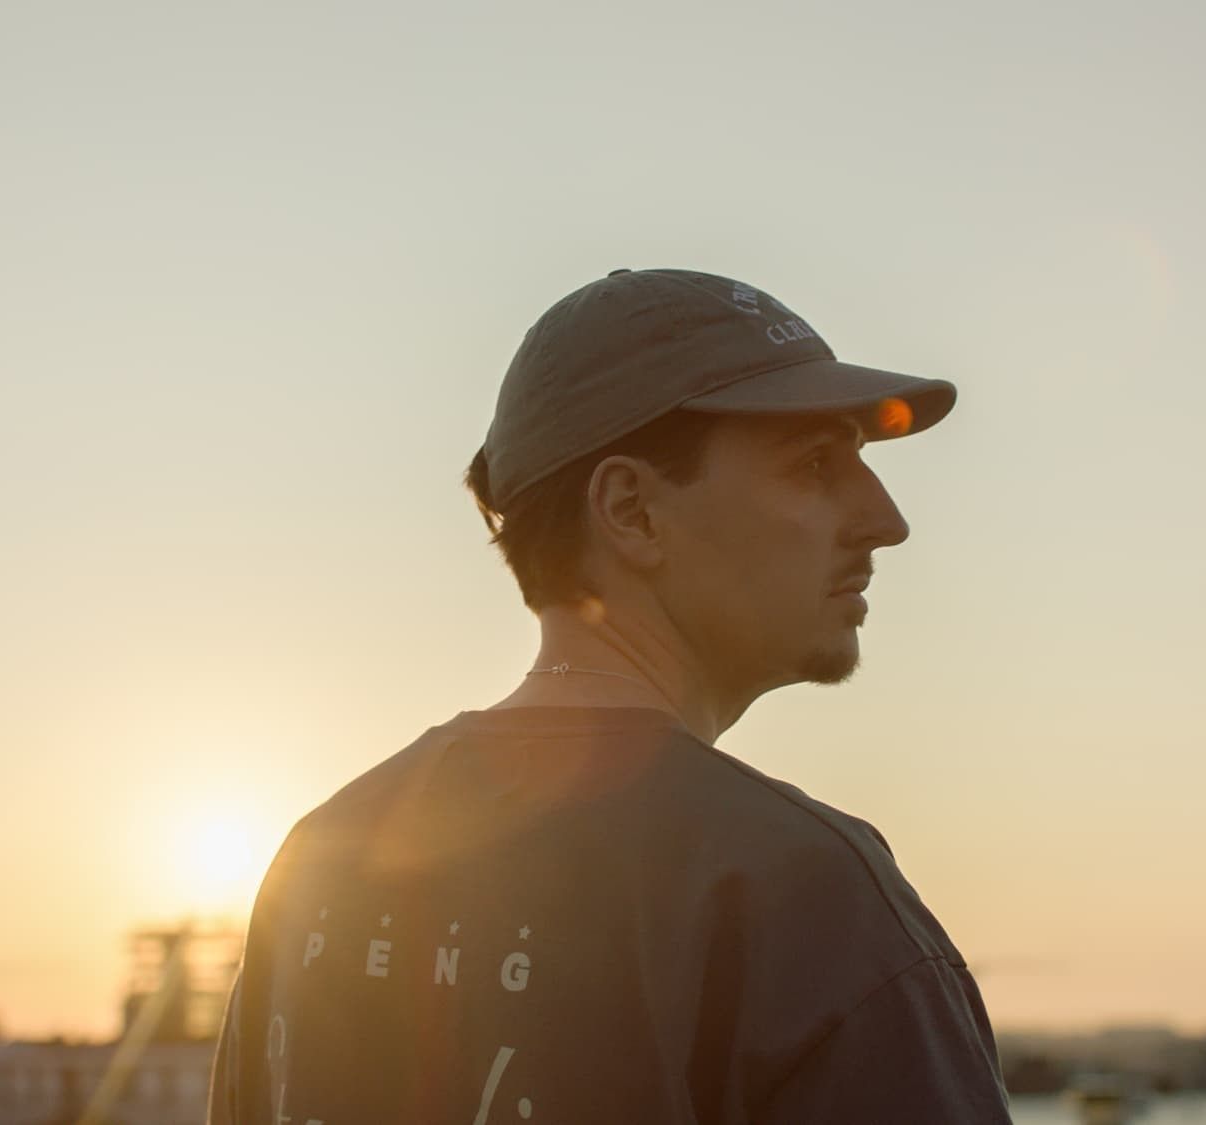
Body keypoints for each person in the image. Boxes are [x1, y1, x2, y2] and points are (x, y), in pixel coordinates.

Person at [208, 268, 1011, 1123]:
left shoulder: (320, 859)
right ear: (632, 510)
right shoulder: (799, 895)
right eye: (815, 463)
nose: (885, 519)